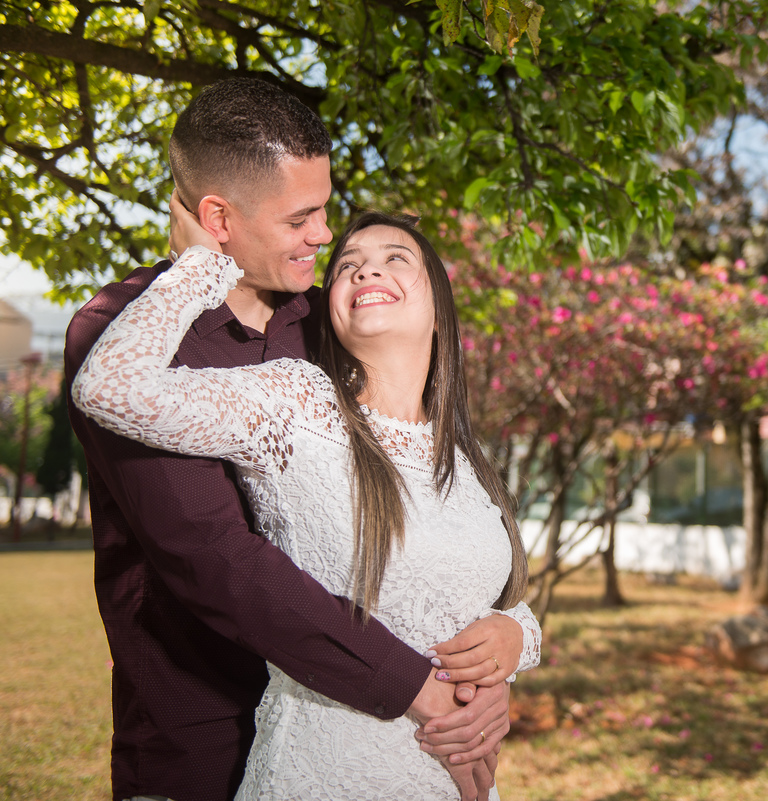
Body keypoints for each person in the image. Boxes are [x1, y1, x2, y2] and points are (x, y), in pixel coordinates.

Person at [63, 78, 524, 801]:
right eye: (301, 217)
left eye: (325, 209)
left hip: (392, 735)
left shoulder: (326, 327)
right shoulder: (122, 333)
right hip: (201, 738)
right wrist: (423, 690)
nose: (324, 236)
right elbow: (214, 557)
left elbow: (427, 538)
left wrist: (499, 659)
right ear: (217, 217)